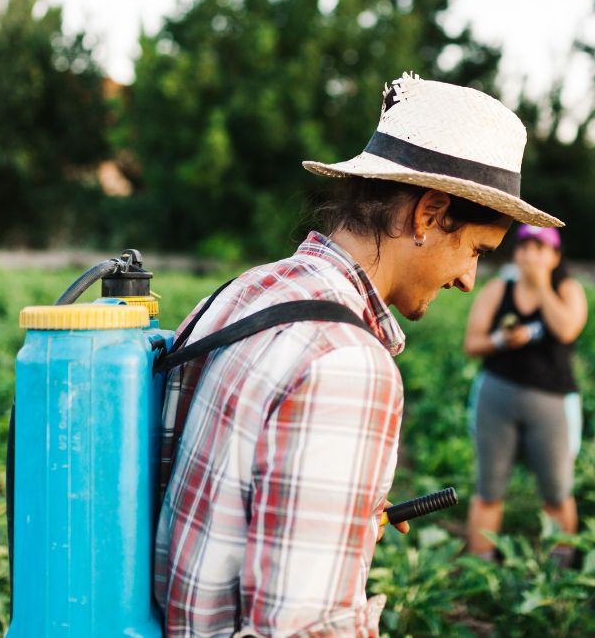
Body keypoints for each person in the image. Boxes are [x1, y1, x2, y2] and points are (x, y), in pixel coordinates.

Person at [153, 72, 563, 636]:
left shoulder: (245, 292)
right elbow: (301, 628)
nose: (469, 279)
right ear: (428, 213)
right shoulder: (347, 363)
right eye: (474, 250)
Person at [463, 224, 587, 566]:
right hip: (496, 397)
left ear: (555, 256)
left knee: (557, 491)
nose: (531, 254)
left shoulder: (568, 289)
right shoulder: (498, 289)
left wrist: (541, 284)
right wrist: (502, 341)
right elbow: (472, 343)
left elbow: (566, 328)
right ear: (515, 252)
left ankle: (559, 572)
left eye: (540, 247)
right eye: (525, 246)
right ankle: (480, 569)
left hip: (552, 402)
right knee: (489, 490)